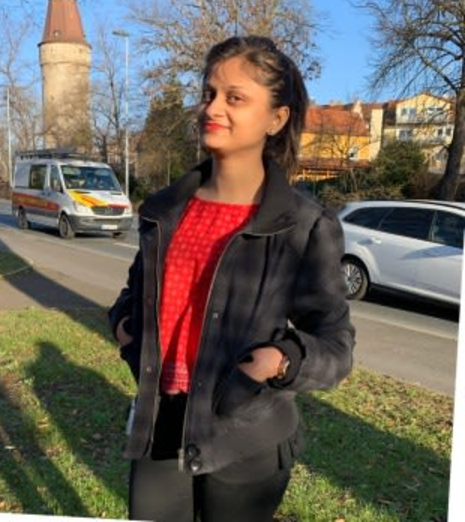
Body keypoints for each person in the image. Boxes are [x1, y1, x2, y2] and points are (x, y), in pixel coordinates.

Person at [108, 35, 355, 522]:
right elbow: (134, 294)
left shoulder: (304, 225)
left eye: (235, 97)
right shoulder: (165, 210)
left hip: (246, 433)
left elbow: (336, 343)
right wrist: (123, 327)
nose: (212, 108)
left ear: (276, 118)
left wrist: (278, 361)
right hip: (160, 423)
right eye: (208, 93)